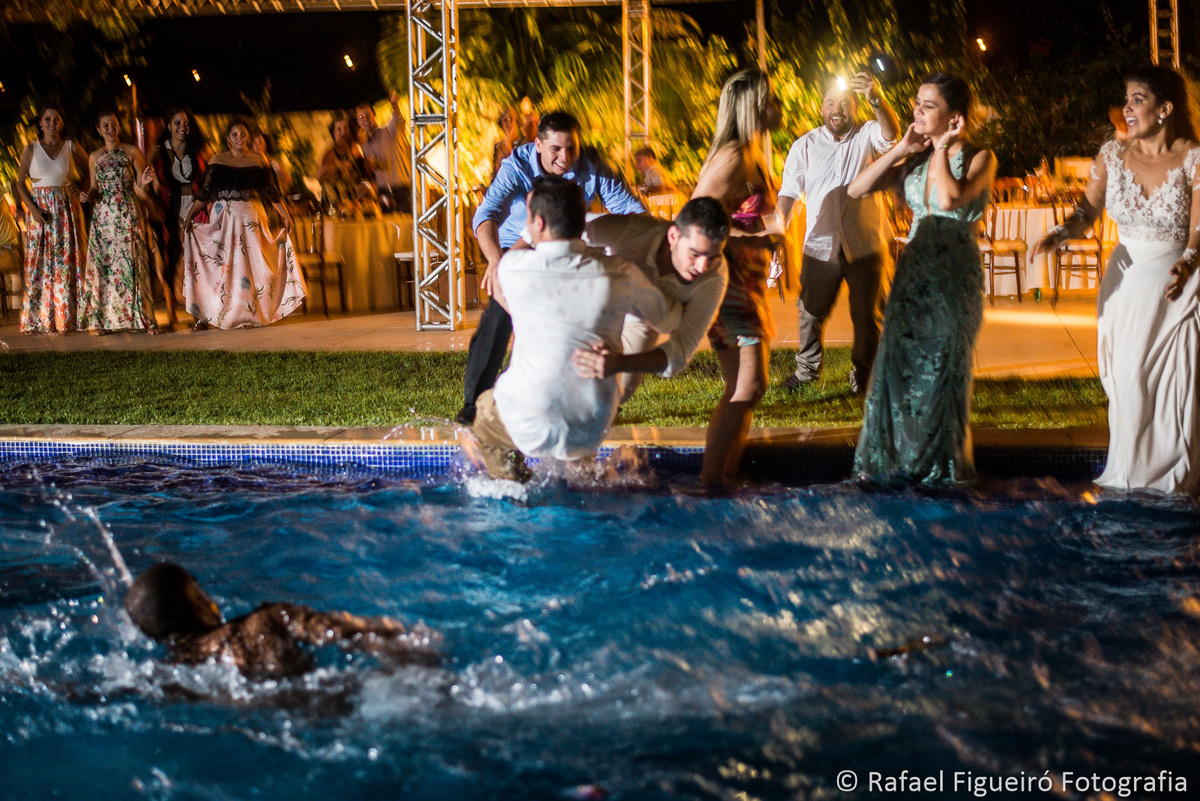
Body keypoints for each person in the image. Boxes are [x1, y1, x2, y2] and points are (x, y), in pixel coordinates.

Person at [1033, 65, 1200, 493]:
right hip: (1125, 287)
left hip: (1176, 287)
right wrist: (1061, 232)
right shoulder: (1111, 155)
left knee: (1173, 388)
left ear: (1165, 109)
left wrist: (1187, 262)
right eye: (1126, 100)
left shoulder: (1194, 158)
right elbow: (1086, 212)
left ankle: (1173, 484)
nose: (1127, 109)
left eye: (1137, 100)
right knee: (1127, 382)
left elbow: (1199, 229)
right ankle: (1128, 478)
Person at [468, 175, 680, 481]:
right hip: (591, 425)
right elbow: (668, 320)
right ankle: (581, 477)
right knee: (577, 428)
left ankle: (512, 487)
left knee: (486, 411)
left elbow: (516, 258)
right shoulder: (621, 274)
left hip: (529, 421)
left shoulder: (513, 269)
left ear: (538, 223)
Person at [847, 72, 996, 485]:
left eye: (929, 106)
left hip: (953, 276)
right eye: (917, 103)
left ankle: (942, 476)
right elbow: (857, 189)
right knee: (898, 373)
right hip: (913, 275)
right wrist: (902, 147)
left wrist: (943, 147)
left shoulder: (980, 157)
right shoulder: (914, 159)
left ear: (955, 117)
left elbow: (949, 198)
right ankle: (898, 469)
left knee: (942, 374)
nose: (918, 111)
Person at [455, 111, 646, 426]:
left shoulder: (593, 165)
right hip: (517, 251)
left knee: (584, 319)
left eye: (571, 148)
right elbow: (485, 214)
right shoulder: (516, 166)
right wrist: (496, 261)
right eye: (556, 149)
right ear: (539, 145)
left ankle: (591, 398)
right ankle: (474, 403)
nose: (565, 158)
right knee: (499, 315)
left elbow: (632, 210)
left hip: (566, 247)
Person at [689, 68, 784, 488]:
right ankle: (712, 482)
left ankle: (723, 477)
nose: (778, 106)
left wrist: (764, 235)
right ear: (753, 106)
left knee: (745, 386)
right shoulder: (734, 158)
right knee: (750, 384)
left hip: (745, 284)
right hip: (730, 285)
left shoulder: (750, 153)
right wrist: (756, 236)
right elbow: (696, 217)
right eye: (771, 99)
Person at [777, 72, 900, 394]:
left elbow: (891, 135)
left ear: (856, 107)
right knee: (809, 313)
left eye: (844, 103)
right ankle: (806, 373)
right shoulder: (804, 145)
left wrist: (876, 98)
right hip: (820, 245)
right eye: (830, 103)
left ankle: (864, 376)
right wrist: (778, 228)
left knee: (868, 316)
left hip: (867, 244)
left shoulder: (868, 134)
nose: (837, 110)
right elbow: (788, 191)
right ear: (821, 108)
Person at [124, 562, 440, 680]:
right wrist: (397, 634)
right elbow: (342, 632)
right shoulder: (265, 622)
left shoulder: (169, 677)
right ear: (197, 602)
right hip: (336, 703)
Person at [570, 197, 730, 402]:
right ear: (673, 236)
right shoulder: (632, 230)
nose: (702, 267)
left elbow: (681, 351)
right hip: (602, 300)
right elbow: (566, 231)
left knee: (614, 397)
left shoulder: (714, 279)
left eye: (712, 257)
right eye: (694, 254)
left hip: (643, 322)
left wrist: (618, 363)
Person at [181, 118, 306, 330]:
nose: (239, 138)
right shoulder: (218, 160)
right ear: (228, 139)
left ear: (248, 137)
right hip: (225, 220)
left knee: (251, 266)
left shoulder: (259, 160)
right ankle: (220, 313)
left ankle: (250, 314)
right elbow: (205, 192)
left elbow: (272, 192)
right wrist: (190, 216)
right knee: (223, 266)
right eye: (235, 134)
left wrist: (286, 215)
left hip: (251, 219)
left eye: (243, 134)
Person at [77, 111, 159, 334]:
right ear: (99, 130)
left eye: (113, 124)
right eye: (105, 126)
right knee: (105, 267)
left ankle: (142, 319)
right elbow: (94, 188)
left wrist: (144, 182)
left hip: (127, 213)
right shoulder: (94, 157)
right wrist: (86, 196)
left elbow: (141, 190)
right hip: (103, 218)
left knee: (132, 264)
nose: (110, 129)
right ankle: (105, 321)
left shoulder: (131, 151)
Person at [13, 104, 90, 334]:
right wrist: (33, 209)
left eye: (56, 119)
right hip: (40, 212)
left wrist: (82, 189)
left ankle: (68, 317)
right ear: (40, 122)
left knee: (66, 263)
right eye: (47, 119)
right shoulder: (31, 148)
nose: (52, 123)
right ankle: (40, 319)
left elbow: (92, 168)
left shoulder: (70, 146)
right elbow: (19, 183)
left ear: (62, 122)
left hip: (66, 211)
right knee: (41, 264)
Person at [148, 106, 210, 332]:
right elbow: (142, 180)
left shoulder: (198, 149)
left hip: (196, 208)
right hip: (169, 210)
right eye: (177, 123)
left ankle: (199, 315)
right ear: (168, 126)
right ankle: (172, 315)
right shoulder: (159, 151)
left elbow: (211, 175)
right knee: (169, 260)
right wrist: (153, 204)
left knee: (197, 261)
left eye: (186, 123)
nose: (182, 127)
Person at [357, 92, 412, 213]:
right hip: (382, 192)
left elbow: (397, 119)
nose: (365, 119)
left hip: (401, 189)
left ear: (374, 115)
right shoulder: (364, 145)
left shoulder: (389, 131)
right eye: (361, 117)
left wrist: (395, 106)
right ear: (358, 122)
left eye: (367, 115)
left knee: (406, 224)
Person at [317, 112, 372, 215]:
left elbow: (362, 173)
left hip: (354, 200)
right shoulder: (329, 153)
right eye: (339, 129)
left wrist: (368, 166)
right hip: (337, 203)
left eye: (346, 128)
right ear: (333, 133)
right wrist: (337, 168)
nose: (343, 132)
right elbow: (320, 177)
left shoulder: (354, 149)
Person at [491, 107, 519, 180]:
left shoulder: (524, 144)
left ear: (516, 122)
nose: (508, 123)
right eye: (505, 120)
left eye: (511, 119)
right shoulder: (499, 148)